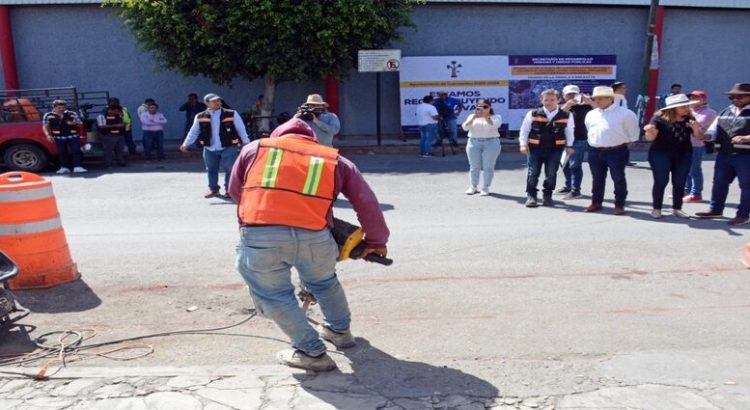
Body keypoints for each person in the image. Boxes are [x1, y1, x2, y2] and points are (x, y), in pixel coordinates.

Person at [228, 118, 389, 372]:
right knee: (324, 283)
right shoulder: (334, 159)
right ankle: (340, 332)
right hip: (316, 236)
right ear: (312, 137)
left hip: (261, 236)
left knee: (275, 295)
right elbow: (366, 201)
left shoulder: (254, 149)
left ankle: (311, 352)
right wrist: (377, 241)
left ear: (278, 134)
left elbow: (236, 191)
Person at [696, 83, 750, 225]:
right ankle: (715, 209)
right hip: (724, 155)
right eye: (732, 97)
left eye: (740, 96)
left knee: (746, 186)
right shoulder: (725, 111)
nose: (735, 99)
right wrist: (706, 136)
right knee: (719, 183)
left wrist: (747, 138)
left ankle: (743, 214)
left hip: (746, 156)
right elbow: (713, 131)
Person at [643, 94, 703, 219]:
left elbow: (699, 137)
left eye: (687, 106)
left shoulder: (689, 118)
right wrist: (650, 131)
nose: (686, 108)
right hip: (660, 154)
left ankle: (677, 208)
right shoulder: (658, 118)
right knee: (661, 181)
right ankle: (657, 209)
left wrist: (696, 128)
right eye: (683, 107)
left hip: (684, 154)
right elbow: (650, 138)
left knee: (679, 182)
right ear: (673, 108)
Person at [180, 93, 250, 199]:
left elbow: (241, 129)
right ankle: (213, 189)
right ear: (206, 103)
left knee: (229, 169)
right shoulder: (200, 116)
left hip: (229, 146)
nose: (218, 102)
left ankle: (229, 190)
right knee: (211, 169)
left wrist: (246, 143)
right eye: (214, 101)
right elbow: (194, 131)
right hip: (209, 148)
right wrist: (186, 143)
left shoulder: (232, 114)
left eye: (219, 100)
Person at [584, 86, 639, 215]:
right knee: (597, 178)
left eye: (600, 98)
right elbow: (590, 130)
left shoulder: (625, 114)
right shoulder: (591, 114)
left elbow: (633, 134)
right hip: (595, 151)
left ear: (610, 98)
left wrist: (619, 144)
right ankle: (596, 202)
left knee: (618, 178)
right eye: (595, 98)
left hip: (617, 150)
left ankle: (619, 204)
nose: (597, 101)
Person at [518, 89, 575, 207]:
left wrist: (570, 145)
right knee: (532, 173)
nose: (549, 102)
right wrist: (523, 145)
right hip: (535, 148)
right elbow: (524, 130)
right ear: (541, 100)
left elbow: (569, 131)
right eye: (546, 100)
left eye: (552, 100)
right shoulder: (533, 113)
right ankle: (531, 196)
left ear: (559, 100)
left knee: (551, 173)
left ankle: (547, 195)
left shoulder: (567, 115)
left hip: (555, 149)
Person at [559, 85, 594, 200]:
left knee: (575, 166)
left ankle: (575, 190)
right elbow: (555, 117)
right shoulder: (564, 107)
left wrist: (589, 101)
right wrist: (568, 105)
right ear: (564, 96)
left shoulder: (586, 107)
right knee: (564, 165)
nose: (571, 97)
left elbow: (600, 109)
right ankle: (568, 186)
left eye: (574, 94)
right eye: (568, 94)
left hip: (579, 140)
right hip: (563, 140)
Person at [462, 98, 502, 196]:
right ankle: (473, 186)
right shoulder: (472, 116)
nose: (483, 109)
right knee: (474, 166)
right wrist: (473, 118)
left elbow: (494, 126)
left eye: (485, 107)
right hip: (473, 142)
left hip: (491, 142)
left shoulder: (496, 117)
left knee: (488, 166)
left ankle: (486, 187)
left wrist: (486, 117)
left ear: (490, 107)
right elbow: (465, 128)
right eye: (480, 107)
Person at [684, 90, 718, 202]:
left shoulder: (709, 112)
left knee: (694, 169)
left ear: (704, 100)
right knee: (685, 168)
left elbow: (696, 124)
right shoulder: (688, 110)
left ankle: (696, 193)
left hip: (696, 144)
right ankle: (686, 191)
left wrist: (685, 117)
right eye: (691, 98)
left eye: (696, 98)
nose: (692, 100)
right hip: (684, 143)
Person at [42, 99, 87, 174]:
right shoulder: (48, 115)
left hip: (73, 136)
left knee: (76, 151)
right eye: (59, 108)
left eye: (63, 108)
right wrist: (48, 135)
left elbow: (80, 123)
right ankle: (64, 167)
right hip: (59, 137)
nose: (61, 109)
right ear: (54, 107)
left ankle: (78, 167)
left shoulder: (72, 113)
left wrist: (73, 123)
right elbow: (45, 126)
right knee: (62, 152)